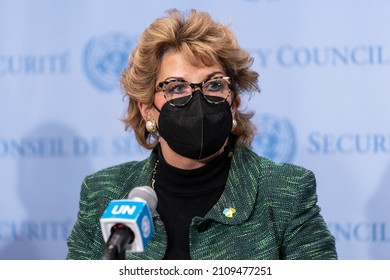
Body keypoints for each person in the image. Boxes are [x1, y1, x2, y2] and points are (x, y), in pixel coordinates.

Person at [66, 8, 337, 260]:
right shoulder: (104, 194)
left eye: (214, 84)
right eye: (176, 87)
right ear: (148, 109)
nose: (198, 100)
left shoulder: (285, 192)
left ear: (234, 103)